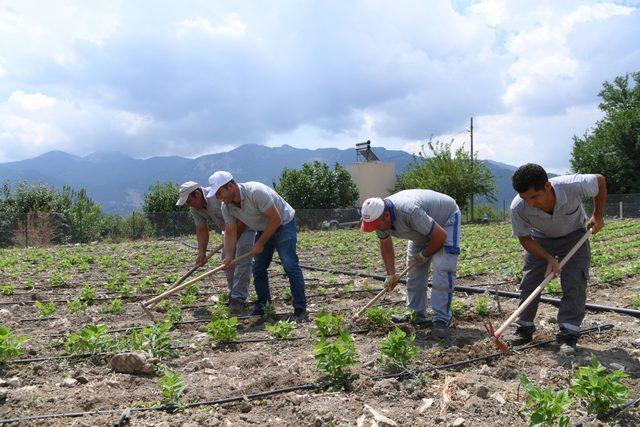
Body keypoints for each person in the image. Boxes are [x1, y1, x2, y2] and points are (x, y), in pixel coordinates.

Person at [509, 163, 606, 353]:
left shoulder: (571, 186)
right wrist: (548, 259)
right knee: (530, 281)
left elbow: (600, 180)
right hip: (540, 239)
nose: (530, 203)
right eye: (524, 198)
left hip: (575, 235)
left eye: (534, 197)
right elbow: (525, 239)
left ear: (547, 186)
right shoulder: (518, 207)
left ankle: (569, 333)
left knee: (575, 282)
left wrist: (598, 214)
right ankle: (524, 328)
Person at [208, 171, 308, 322]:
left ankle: (300, 307)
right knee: (258, 268)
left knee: (289, 265)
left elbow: (275, 219)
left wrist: (260, 243)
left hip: (284, 224)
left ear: (230, 186)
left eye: (219, 193)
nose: (218, 197)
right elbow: (230, 232)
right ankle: (263, 305)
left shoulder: (256, 192)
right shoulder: (226, 207)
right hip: (263, 228)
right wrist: (229, 255)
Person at [359, 190, 461, 338]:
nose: (376, 229)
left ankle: (441, 319)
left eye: (376, 225)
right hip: (422, 229)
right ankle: (415, 313)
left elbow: (440, 236)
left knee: (442, 267)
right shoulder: (379, 218)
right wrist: (391, 274)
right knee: (414, 272)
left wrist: (424, 254)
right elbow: (385, 244)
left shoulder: (409, 211)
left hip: (445, 221)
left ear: (387, 215)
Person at [176, 181, 255, 314]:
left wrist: (233, 239)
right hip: (229, 231)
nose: (189, 205)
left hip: (246, 226)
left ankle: (239, 298)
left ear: (197, 193)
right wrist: (201, 253)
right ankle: (234, 293)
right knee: (226, 260)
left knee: (241, 258)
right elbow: (201, 229)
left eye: (190, 201)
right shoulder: (195, 208)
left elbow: (241, 217)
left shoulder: (218, 196)